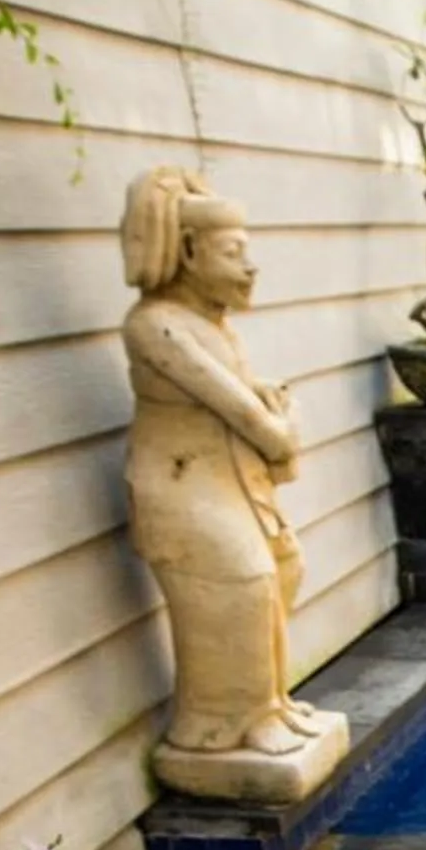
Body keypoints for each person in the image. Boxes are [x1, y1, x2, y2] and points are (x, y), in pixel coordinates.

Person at [120, 168, 344, 796]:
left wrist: (271, 405)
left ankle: (268, 705)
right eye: (233, 253)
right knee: (242, 585)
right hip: (184, 489)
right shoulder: (156, 325)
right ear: (188, 252)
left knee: (283, 569)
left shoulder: (214, 326)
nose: (251, 267)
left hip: (231, 484)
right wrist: (282, 424)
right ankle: (218, 728)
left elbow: (244, 399)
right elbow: (250, 418)